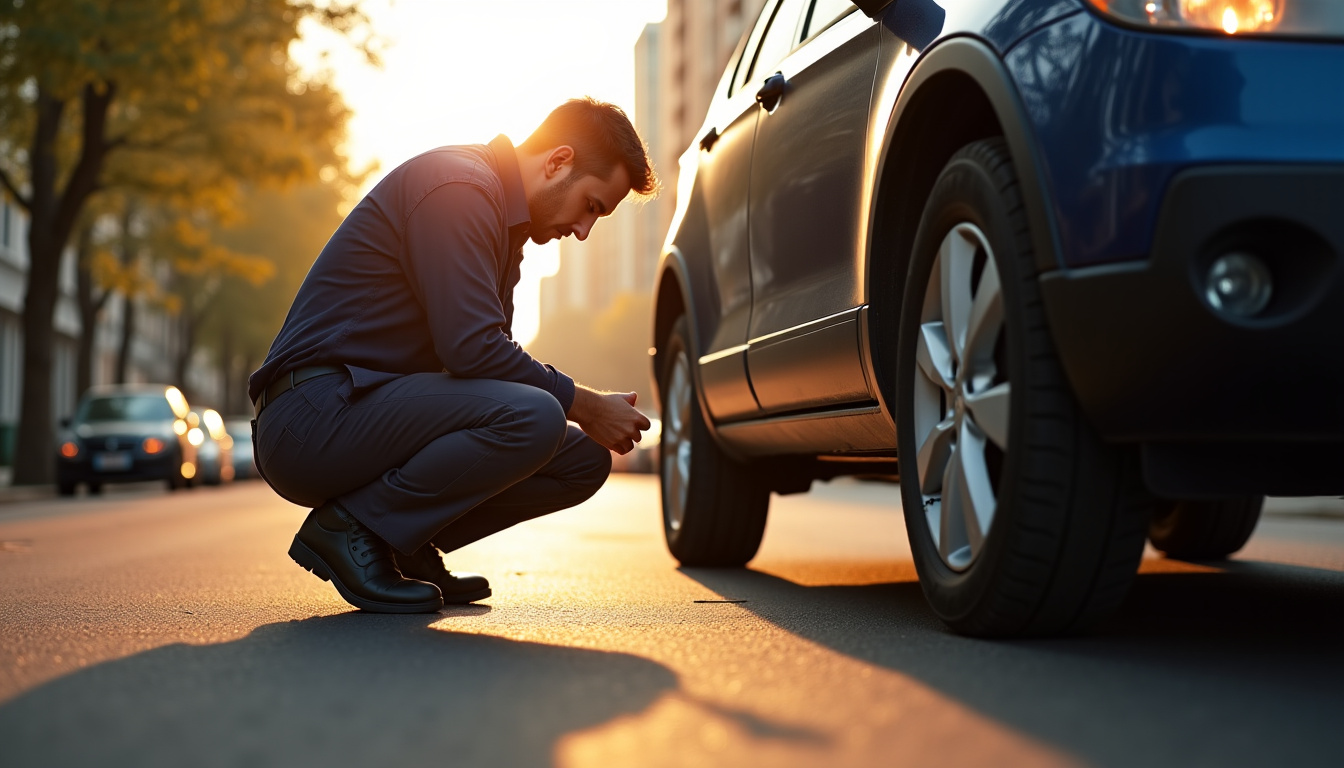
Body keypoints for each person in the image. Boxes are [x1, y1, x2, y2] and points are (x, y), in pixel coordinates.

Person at [248, 98, 657, 613]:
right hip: (312, 414)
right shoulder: (459, 189)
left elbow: (483, 368)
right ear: (557, 162)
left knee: (581, 460)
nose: (583, 231)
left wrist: (577, 410)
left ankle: (407, 540)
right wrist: (586, 404)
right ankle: (351, 530)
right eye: (592, 206)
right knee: (534, 416)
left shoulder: (504, 228)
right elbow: (472, 350)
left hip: (364, 408)